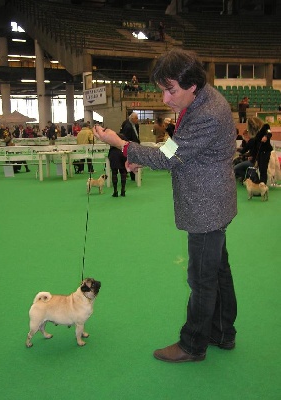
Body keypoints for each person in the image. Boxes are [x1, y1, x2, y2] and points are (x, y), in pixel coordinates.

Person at [94, 48, 237, 363]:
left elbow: (167, 156)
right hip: (214, 201)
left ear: (191, 86)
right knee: (217, 271)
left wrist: (122, 146)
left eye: (170, 90)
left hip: (207, 206)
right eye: (162, 90)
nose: (165, 99)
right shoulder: (202, 99)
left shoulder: (208, 113)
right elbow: (177, 147)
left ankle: (192, 345)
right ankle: (223, 333)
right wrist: (140, 159)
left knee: (201, 278)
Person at [247, 117, 273, 184]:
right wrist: (252, 155)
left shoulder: (266, 126)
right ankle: (260, 183)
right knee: (260, 169)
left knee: (263, 168)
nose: (252, 125)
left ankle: (263, 184)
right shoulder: (256, 132)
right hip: (259, 152)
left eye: (253, 124)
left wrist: (266, 136)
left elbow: (269, 133)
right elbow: (255, 146)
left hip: (265, 151)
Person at [120, 112, 140, 181]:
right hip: (130, 146)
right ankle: (130, 175)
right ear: (132, 119)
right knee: (130, 161)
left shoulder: (136, 125)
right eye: (136, 118)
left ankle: (133, 175)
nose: (138, 120)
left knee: (133, 161)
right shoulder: (127, 126)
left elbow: (137, 134)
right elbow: (126, 138)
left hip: (135, 144)